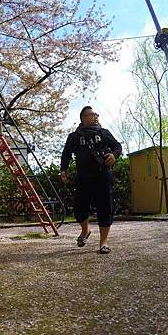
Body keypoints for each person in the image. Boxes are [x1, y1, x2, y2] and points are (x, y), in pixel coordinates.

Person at [60, 105, 122, 254]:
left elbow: (117, 146)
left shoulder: (104, 133)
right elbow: (66, 154)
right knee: (79, 208)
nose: (96, 117)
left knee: (105, 208)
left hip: (103, 175)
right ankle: (85, 230)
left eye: (96, 115)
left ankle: (103, 242)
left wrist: (114, 155)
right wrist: (63, 170)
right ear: (83, 118)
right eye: (92, 114)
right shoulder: (74, 136)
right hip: (83, 177)